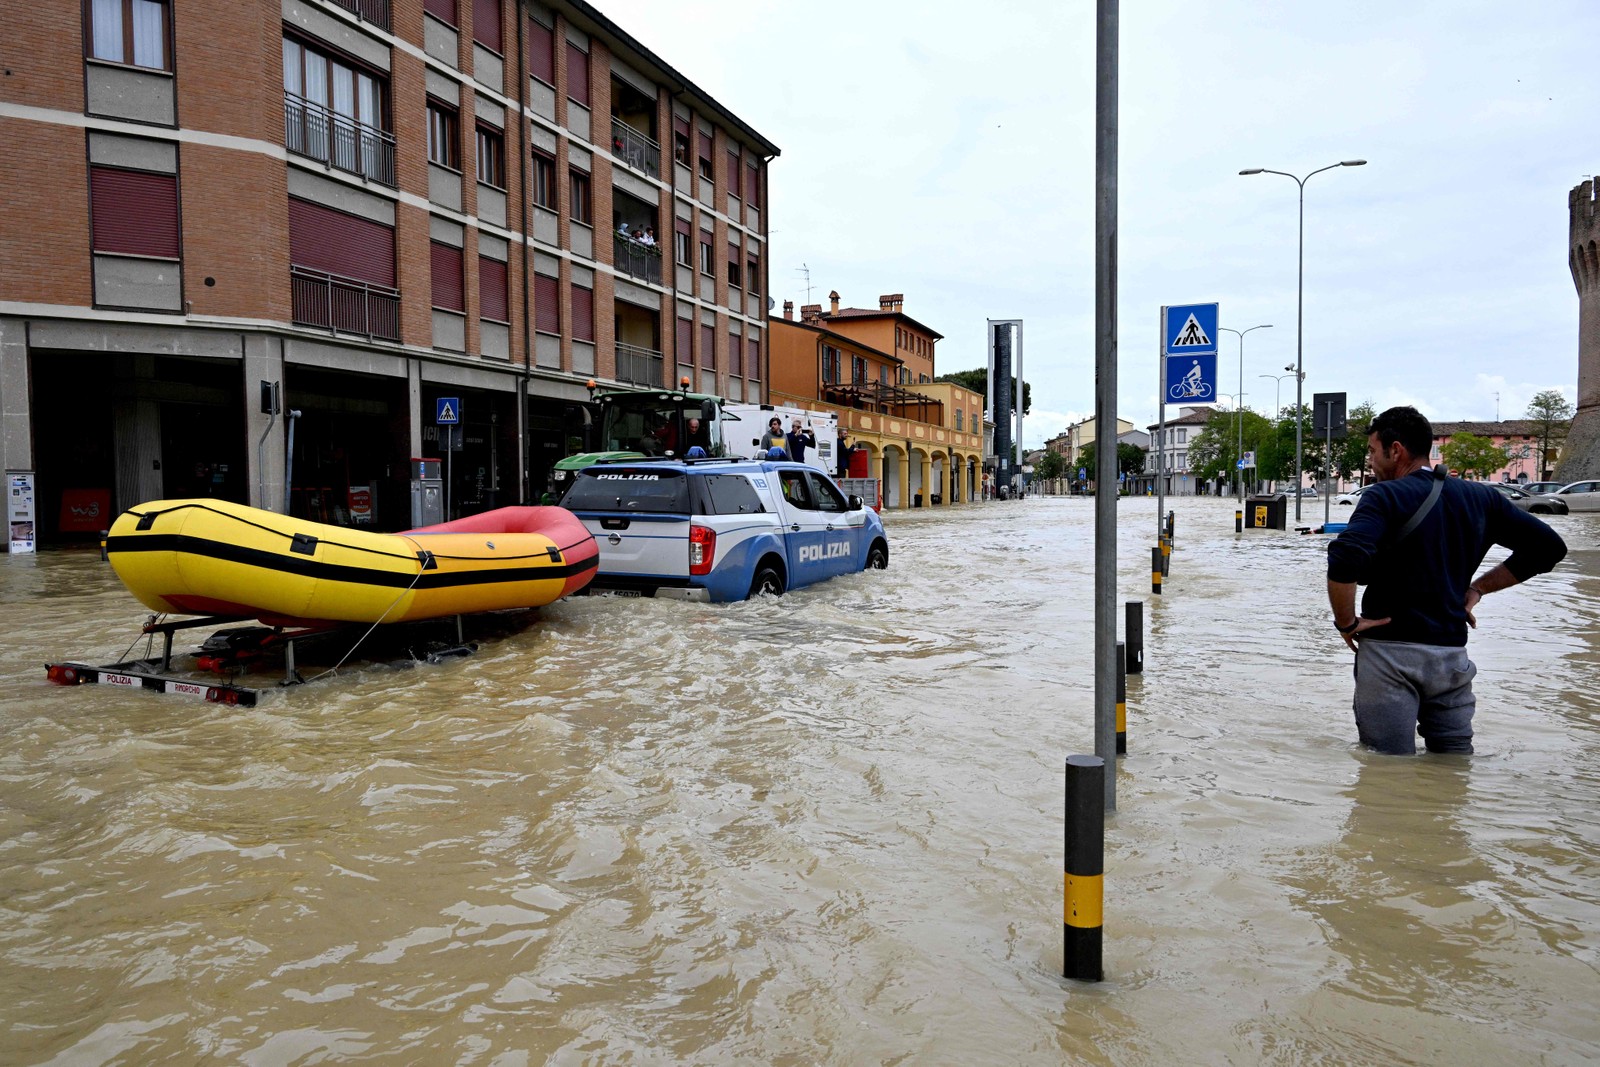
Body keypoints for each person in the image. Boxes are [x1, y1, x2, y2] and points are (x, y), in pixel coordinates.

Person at [1326, 406, 1567, 755]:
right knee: (1453, 765)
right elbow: (1548, 548)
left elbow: (1346, 558)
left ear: (1396, 450)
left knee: (1385, 769)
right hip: (1451, 656)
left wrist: (1346, 623)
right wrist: (1477, 589)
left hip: (1390, 656)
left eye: (1372, 452)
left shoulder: (1383, 496)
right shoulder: (1482, 497)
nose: (1371, 463)